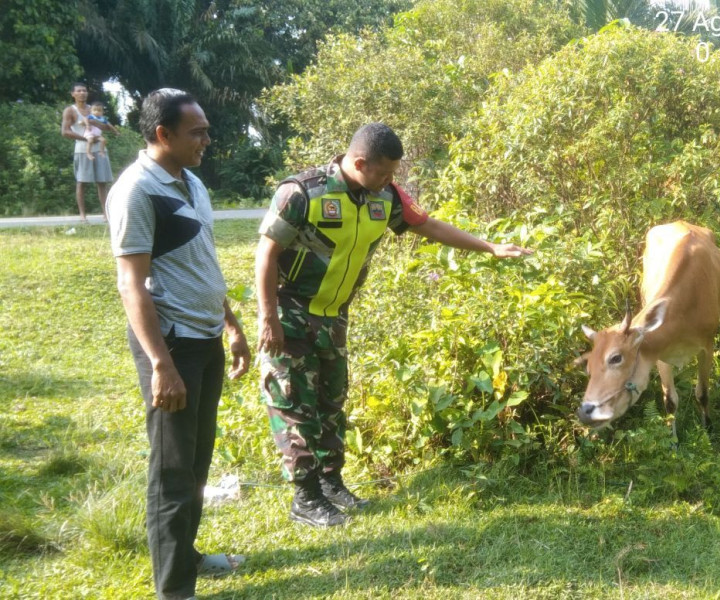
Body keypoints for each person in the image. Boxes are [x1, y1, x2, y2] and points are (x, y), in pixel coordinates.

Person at [256, 123, 532, 527]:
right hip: (290, 312)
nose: (391, 181)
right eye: (385, 173)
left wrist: (488, 247)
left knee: (331, 404)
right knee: (295, 405)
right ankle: (306, 496)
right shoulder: (302, 193)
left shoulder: (384, 197)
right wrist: (268, 319)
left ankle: (332, 482)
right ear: (360, 162)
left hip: (333, 317)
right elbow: (266, 255)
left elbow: (428, 226)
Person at [106, 88, 251, 600]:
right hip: (171, 347)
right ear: (162, 134)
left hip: (205, 337)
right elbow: (131, 284)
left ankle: (186, 555)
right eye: (198, 132)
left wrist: (229, 323)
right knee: (171, 469)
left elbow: (201, 261)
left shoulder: (189, 181)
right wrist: (161, 365)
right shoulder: (137, 192)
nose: (207, 140)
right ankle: (174, 589)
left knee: (196, 461)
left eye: (206, 130)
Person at [61, 83, 114, 221]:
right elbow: (65, 131)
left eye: (84, 90)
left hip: (100, 149)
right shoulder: (70, 110)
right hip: (82, 150)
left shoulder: (94, 109)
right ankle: (83, 216)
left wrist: (101, 126)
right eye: (78, 91)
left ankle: (106, 214)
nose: (82, 93)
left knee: (102, 182)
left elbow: (105, 126)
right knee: (82, 182)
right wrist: (85, 138)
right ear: (73, 94)